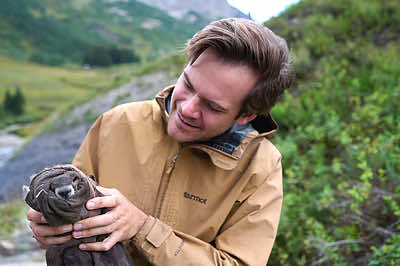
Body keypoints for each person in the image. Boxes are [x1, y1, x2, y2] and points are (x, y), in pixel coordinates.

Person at [27, 18, 293, 265]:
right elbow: (72, 212)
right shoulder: (116, 122)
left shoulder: (261, 168)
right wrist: (51, 225)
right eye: (187, 84)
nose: (187, 108)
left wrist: (143, 229)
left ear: (247, 115)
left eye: (212, 106)